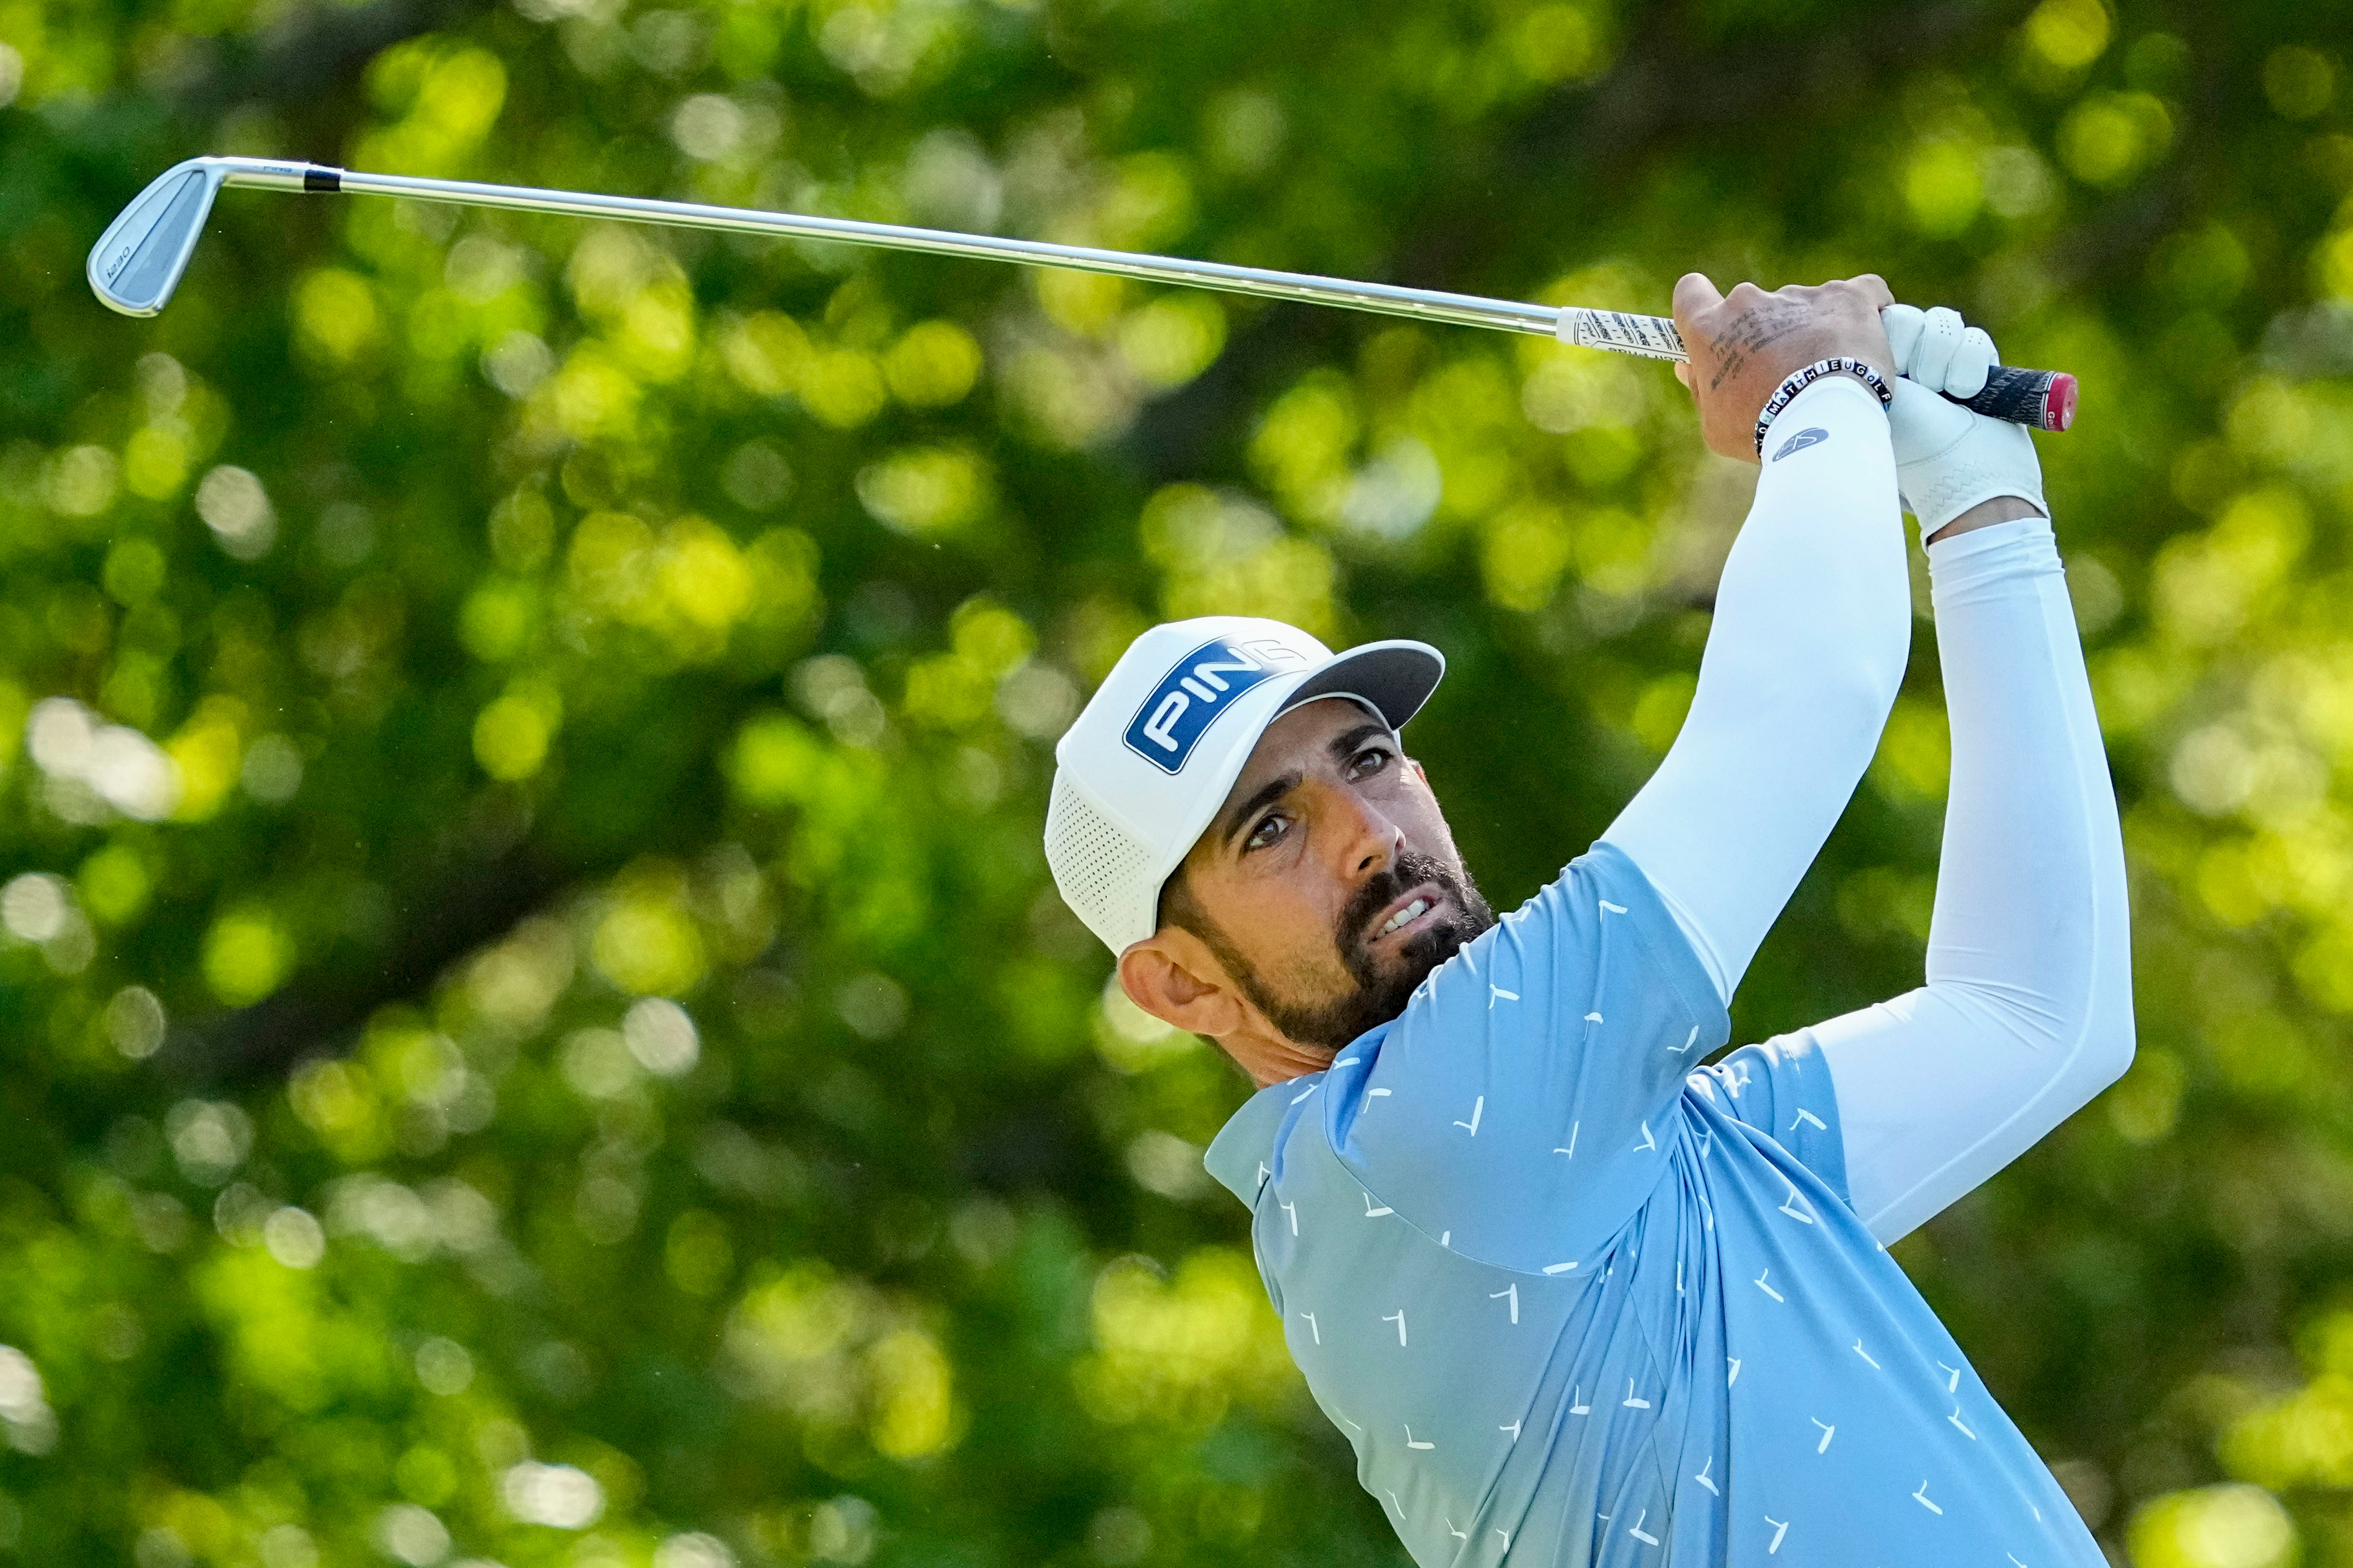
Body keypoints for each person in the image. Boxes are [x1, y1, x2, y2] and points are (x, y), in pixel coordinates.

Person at [1042, 273, 2132, 1565]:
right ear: (1178, 984)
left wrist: (1981, 513)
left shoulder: (1598, 1155)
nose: (1367, 835)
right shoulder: (1422, 1143)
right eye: (1268, 828)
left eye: (1371, 756)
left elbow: (2036, 1019)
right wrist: (1814, 392)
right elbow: (1801, 701)